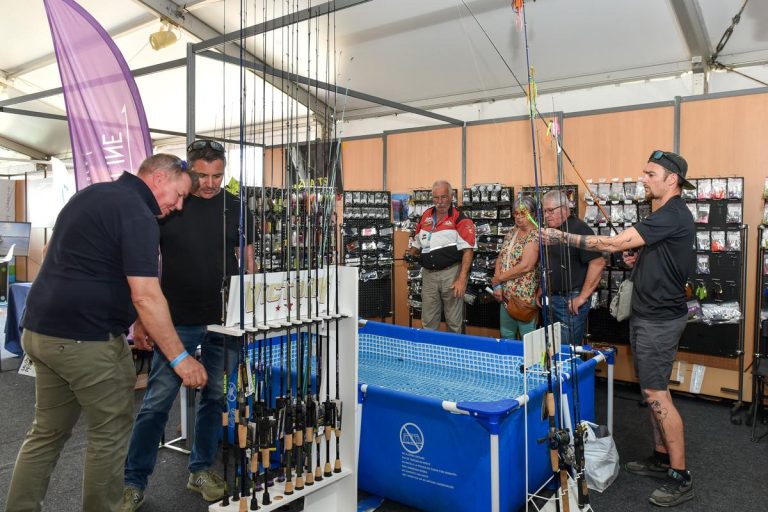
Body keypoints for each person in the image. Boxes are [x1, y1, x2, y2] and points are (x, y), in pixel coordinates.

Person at [5, 154, 207, 512]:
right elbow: (146, 295)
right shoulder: (138, 214)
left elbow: (55, 253)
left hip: (40, 331)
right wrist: (180, 358)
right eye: (179, 195)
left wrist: (131, 315)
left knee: (47, 433)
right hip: (86, 339)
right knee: (109, 435)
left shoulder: (90, 194)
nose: (178, 206)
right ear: (160, 178)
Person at [542, 150, 695, 508]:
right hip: (647, 316)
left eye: (650, 174)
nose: (644, 178)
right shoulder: (663, 215)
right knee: (651, 390)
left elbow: (610, 244)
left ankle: (681, 476)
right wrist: (638, 259)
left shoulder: (672, 213)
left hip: (659, 320)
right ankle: (661, 457)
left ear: (672, 179)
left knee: (657, 395)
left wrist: (563, 237)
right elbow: (656, 257)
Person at [122, 140, 254, 511]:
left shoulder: (236, 207)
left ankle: (200, 470)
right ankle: (132, 482)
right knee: (156, 403)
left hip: (224, 321)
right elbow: (144, 265)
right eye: (202, 175)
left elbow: (248, 262)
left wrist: (250, 310)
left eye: (217, 176)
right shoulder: (170, 203)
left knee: (214, 397)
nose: (210, 183)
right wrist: (141, 319)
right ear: (187, 170)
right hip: (174, 320)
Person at [407, 180, 475, 333]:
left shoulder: (460, 218)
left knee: (454, 323)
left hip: (451, 274)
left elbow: (468, 250)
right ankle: (429, 349)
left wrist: (461, 279)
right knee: (428, 321)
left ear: (451, 197)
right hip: (428, 275)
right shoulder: (426, 215)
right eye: (436, 198)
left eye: (443, 197)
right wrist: (410, 253)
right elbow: (417, 241)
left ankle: (453, 349)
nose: (440, 202)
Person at [539, 189, 606, 344]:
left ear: (564, 208)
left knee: (568, 349)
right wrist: (543, 287)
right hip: (551, 298)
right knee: (552, 347)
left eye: (550, 210)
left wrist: (582, 297)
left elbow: (598, 263)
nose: (546, 215)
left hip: (570, 300)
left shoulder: (580, 230)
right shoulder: (551, 231)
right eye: (544, 211)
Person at [492, 196, 540, 339]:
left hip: (524, 297)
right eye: (516, 213)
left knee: (528, 337)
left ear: (533, 214)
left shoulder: (536, 235)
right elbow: (501, 258)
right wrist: (498, 286)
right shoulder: (512, 232)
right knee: (506, 334)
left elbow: (526, 266)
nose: (519, 217)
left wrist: (498, 279)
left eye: (523, 213)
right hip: (505, 295)